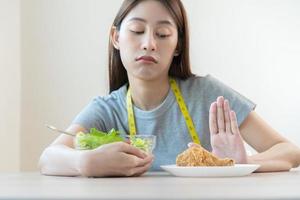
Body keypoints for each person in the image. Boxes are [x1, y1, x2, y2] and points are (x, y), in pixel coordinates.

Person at [39, 0, 300, 177]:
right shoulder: (107, 110)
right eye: (137, 30)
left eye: (162, 34)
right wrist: (85, 162)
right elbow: (48, 158)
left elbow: (290, 151)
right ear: (116, 38)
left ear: (177, 45)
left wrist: (235, 165)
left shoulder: (207, 95)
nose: (149, 43)